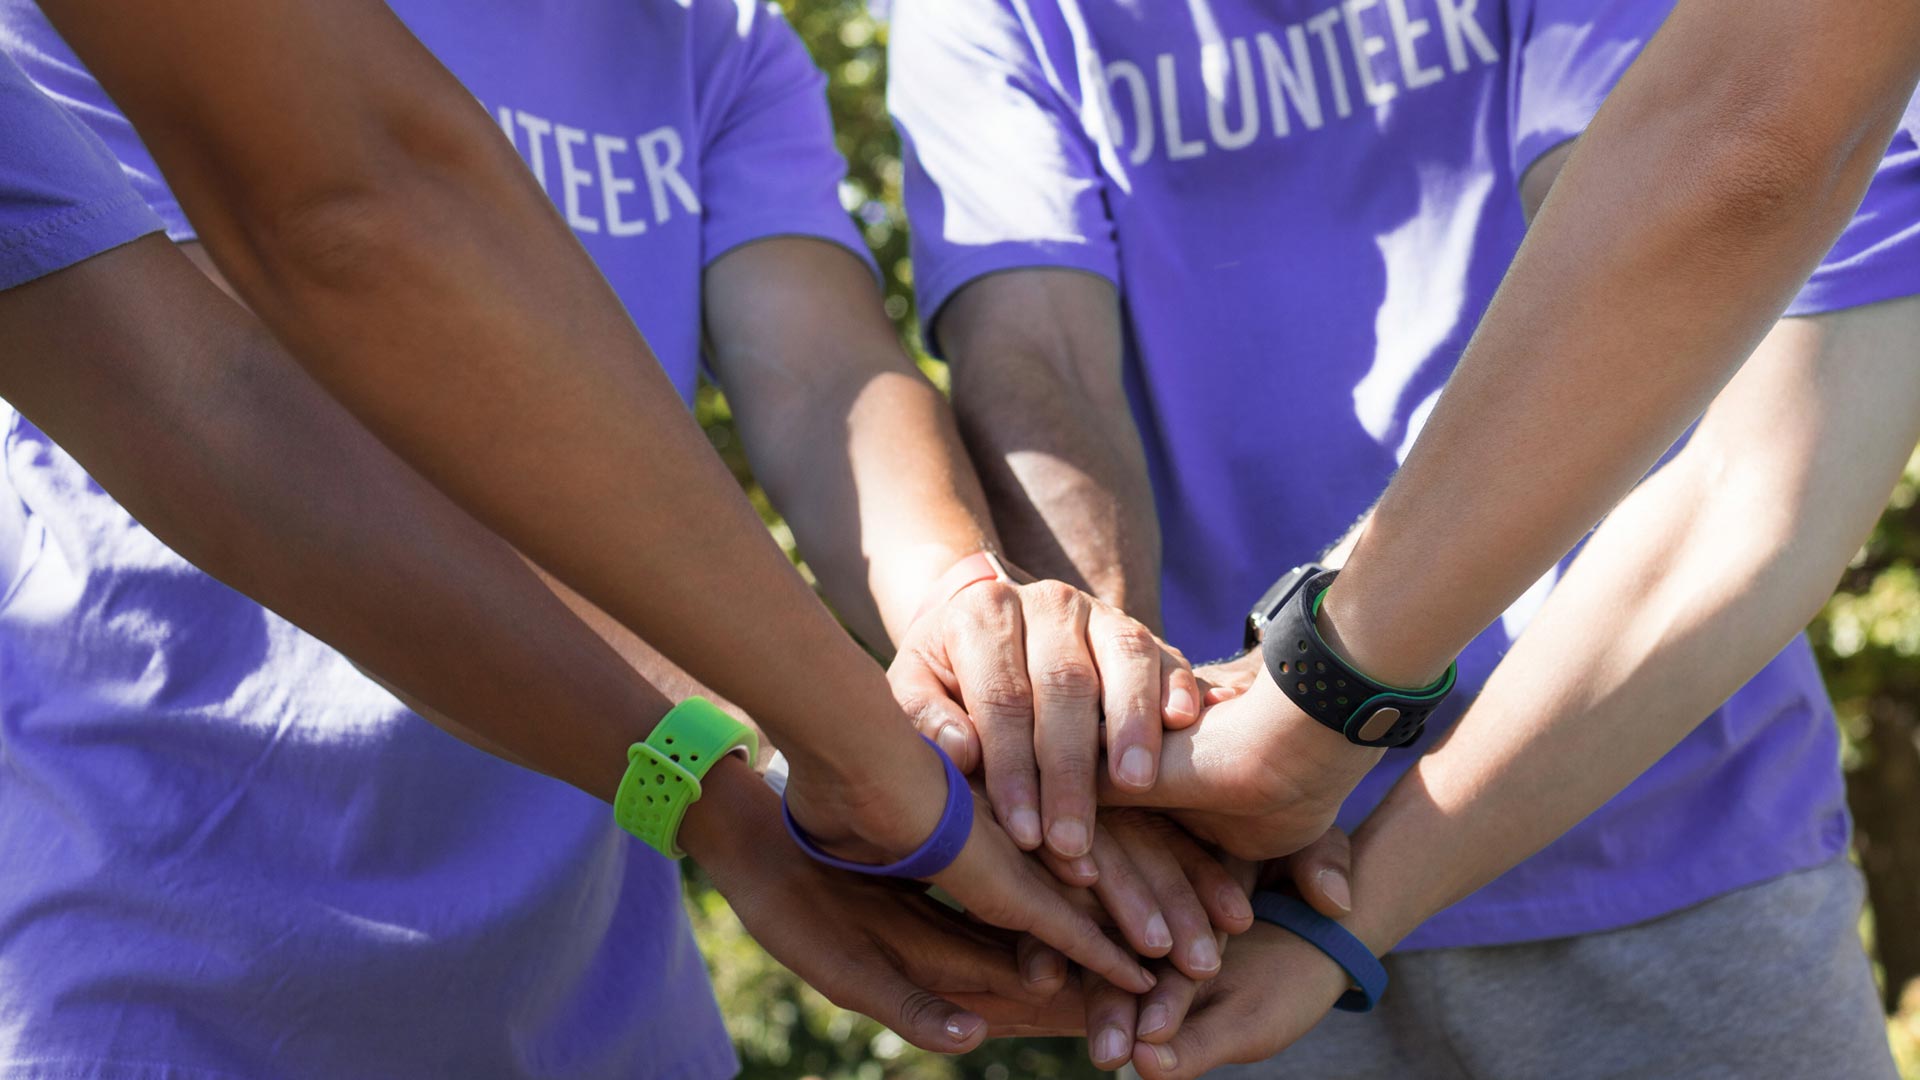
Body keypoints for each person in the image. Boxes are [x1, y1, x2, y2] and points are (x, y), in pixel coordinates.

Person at [0, 0, 1294, 1073]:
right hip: (145, 981)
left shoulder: (709, 40)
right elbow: (267, 343)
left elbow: (822, 378)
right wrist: (825, 767)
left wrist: (964, 606)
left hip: (596, 1012)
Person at [887, 0, 1919, 1074]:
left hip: (1659, 805)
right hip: (1222, 889)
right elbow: (1035, 365)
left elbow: (1705, 203)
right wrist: (1110, 740)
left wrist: (1312, 752)